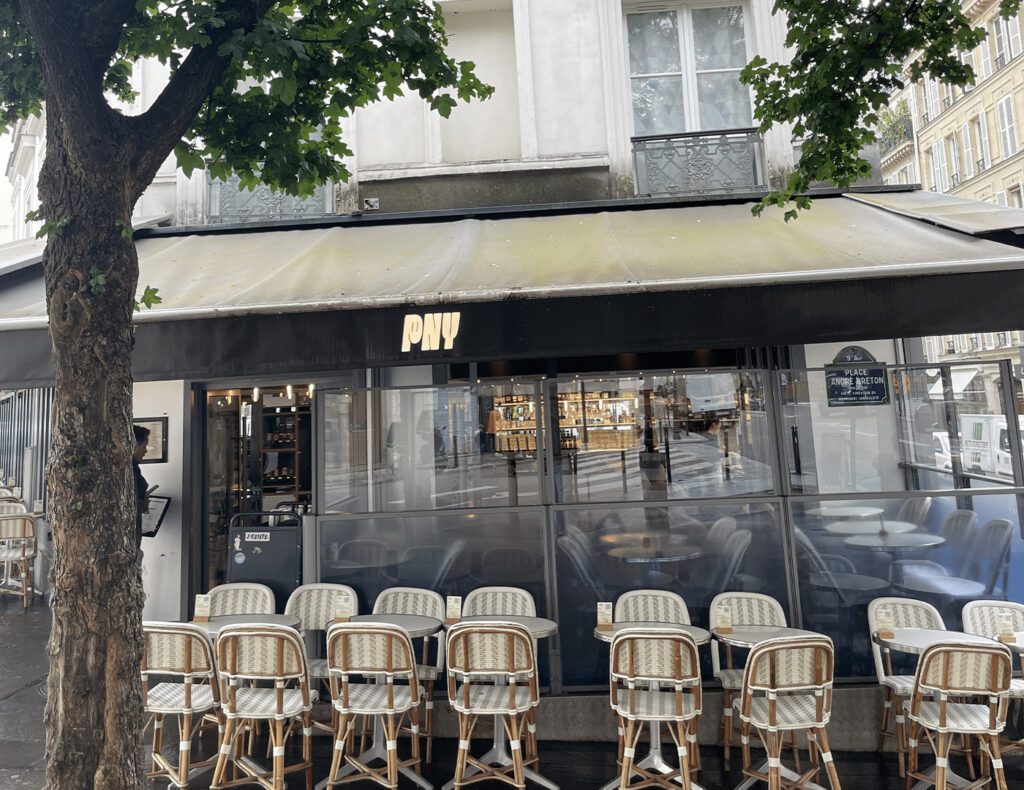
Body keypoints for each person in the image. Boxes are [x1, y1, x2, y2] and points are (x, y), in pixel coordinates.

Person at [132, 424, 150, 550]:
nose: (146, 451)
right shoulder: (129, 470)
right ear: (134, 445)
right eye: (144, 446)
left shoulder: (134, 468)